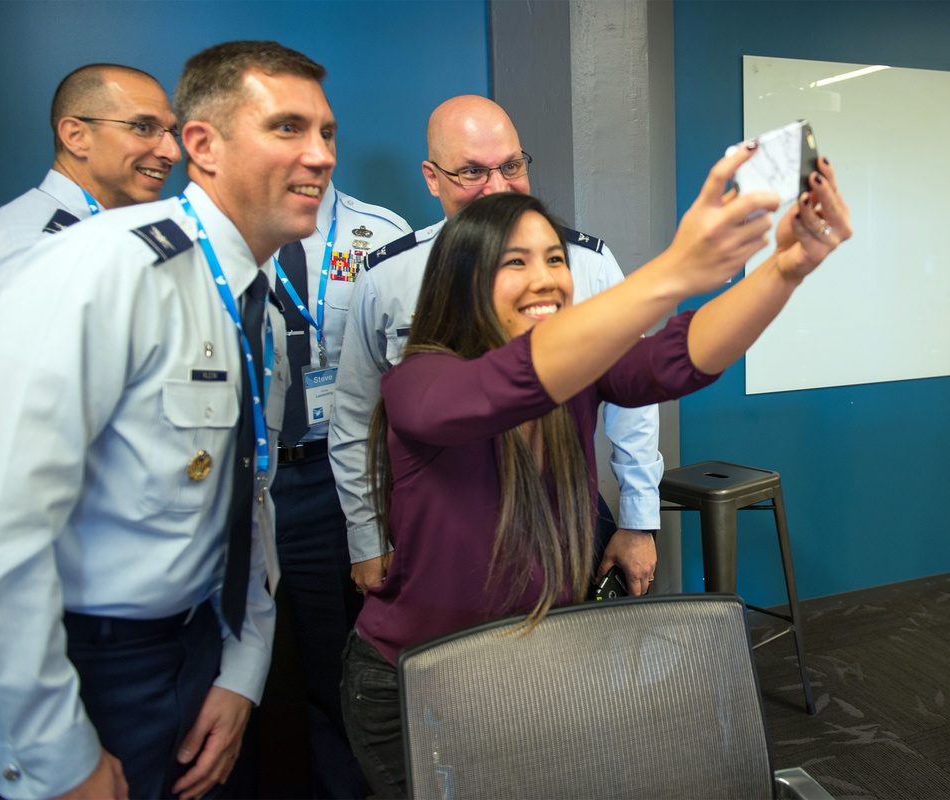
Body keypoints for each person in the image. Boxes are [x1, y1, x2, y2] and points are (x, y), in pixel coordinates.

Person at [341, 148, 852, 798]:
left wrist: (787, 268)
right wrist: (673, 270)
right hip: (417, 686)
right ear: (462, 280)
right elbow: (505, 384)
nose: (547, 278)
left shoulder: (573, 374)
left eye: (556, 258)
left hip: (536, 670)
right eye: (516, 262)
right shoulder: (420, 383)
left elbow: (677, 356)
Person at [0, 40, 337, 800]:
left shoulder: (253, 295)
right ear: (203, 146)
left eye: (326, 132)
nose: (320, 155)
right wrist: (54, 759)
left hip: (198, 646)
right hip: (79, 667)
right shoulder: (103, 269)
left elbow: (247, 499)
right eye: (288, 128)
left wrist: (241, 667)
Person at [329, 96, 663, 601]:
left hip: (564, 518)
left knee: (575, 673)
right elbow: (355, 416)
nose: (498, 188)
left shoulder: (585, 266)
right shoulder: (388, 277)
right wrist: (367, 536)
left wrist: (639, 519)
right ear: (432, 177)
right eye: (471, 172)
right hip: (440, 528)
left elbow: (631, 401)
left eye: (510, 165)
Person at [269, 180, 408, 798]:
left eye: (322, 129)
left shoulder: (380, 233)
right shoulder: (224, 230)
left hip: (343, 478)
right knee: (253, 674)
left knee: (337, 661)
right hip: (255, 481)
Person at [0, 63, 181, 427]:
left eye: (172, 132)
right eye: (144, 128)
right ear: (76, 136)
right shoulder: (31, 247)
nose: (171, 151)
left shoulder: (98, 232)